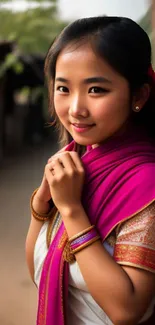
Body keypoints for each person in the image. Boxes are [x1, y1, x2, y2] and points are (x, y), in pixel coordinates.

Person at [26, 16, 155, 325]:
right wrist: (40, 208)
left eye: (96, 89)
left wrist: (70, 210)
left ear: (138, 96)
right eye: (63, 88)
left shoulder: (146, 183)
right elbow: (40, 276)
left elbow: (126, 310)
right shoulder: (73, 162)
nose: (75, 109)